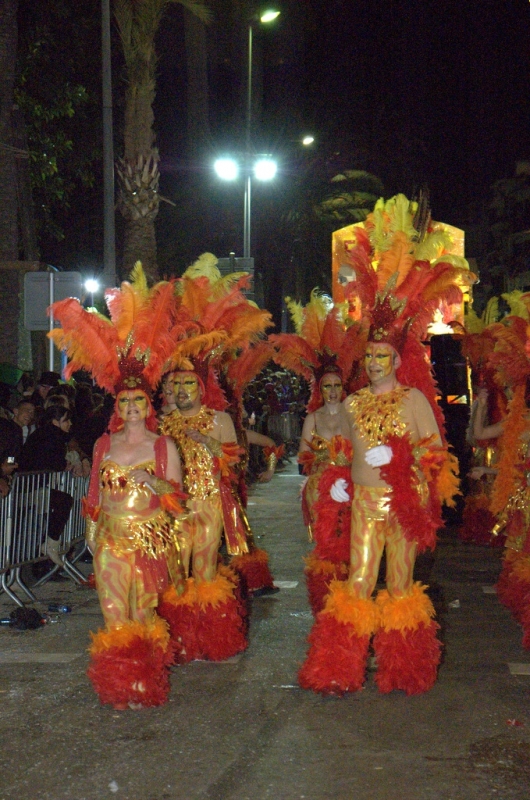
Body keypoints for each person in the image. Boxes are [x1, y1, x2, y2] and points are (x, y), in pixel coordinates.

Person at [298, 193, 464, 696]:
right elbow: (341, 451)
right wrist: (340, 482)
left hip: (402, 504)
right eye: (368, 355)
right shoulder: (350, 403)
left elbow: (437, 453)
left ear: (396, 358)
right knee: (357, 585)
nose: (373, 362)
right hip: (365, 504)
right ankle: (340, 668)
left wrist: (401, 458)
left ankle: (402, 670)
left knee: (399, 586)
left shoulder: (414, 399)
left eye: (381, 356)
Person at [48, 263, 195, 709]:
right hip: (111, 537)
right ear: (118, 403)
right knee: (115, 616)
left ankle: (145, 679)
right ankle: (120, 685)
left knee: (143, 614)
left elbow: (179, 500)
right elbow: (93, 494)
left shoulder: (163, 444)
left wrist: (156, 483)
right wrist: (92, 536)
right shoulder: (103, 443)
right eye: (124, 400)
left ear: (148, 404)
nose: (131, 406)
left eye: (138, 400)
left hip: (149, 540)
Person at [159, 364, 248, 662]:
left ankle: (210, 639)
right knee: (177, 574)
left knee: (205, 571)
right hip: (176, 511)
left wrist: (208, 442)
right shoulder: (162, 424)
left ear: (201, 388)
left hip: (209, 505)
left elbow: (234, 461)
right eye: (177, 384)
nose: (182, 389)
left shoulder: (220, 420)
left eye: (189, 383)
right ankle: (182, 640)